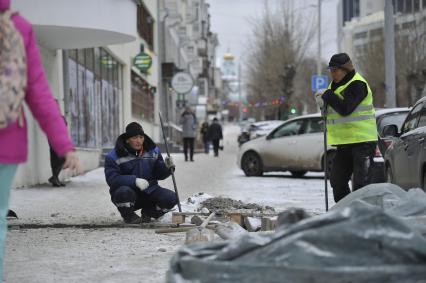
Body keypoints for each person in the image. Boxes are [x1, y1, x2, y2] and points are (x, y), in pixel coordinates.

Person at [0, 1, 82, 279]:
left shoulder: (19, 28)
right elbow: (38, 92)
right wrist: (64, 144)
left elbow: (38, 93)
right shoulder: (19, 26)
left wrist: (63, 144)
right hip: (5, 138)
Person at [315, 53, 377, 203]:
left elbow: (345, 108)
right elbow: (332, 111)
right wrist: (322, 105)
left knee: (361, 184)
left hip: (363, 142)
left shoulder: (358, 84)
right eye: (330, 70)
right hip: (344, 143)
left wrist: (328, 96)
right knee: (337, 180)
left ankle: (363, 217)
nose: (332, 73)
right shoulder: (334, 86)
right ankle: (346, 212)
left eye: (335, 70)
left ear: (345, 69)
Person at [104, 122, 178, 224]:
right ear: (127, 139)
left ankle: (149, 213)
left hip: (150, 191)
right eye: (134, 138)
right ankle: (129, 216)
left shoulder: (153, 151)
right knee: (123, 192)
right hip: (128, 194)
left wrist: (167, 168)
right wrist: (134, 181)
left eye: (141, 137)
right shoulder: (113, 156)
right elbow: (112, 179)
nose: (139, 141)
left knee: (172, 198)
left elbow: (159, 175)